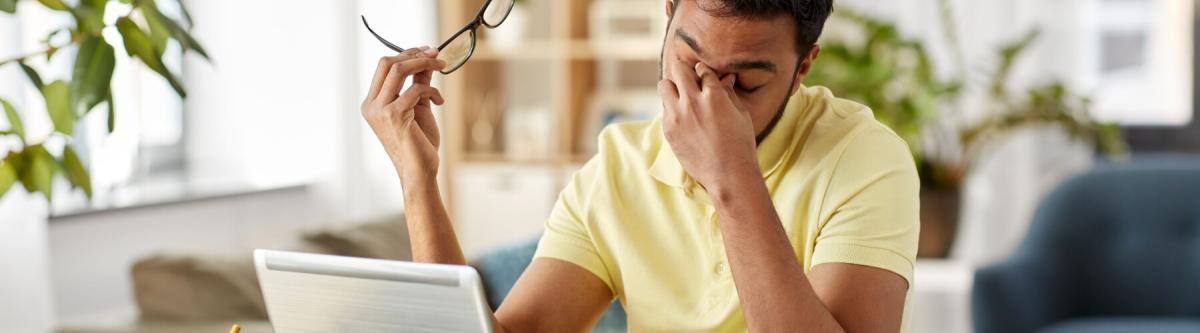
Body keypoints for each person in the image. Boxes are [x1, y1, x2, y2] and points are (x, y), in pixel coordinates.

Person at [359, 0, 918, 332]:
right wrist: (417, 180)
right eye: (689, 60)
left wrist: (730, 177)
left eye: (745, 82)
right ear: (668, 13)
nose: (706, 99)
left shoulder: (865, 158)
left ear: (803, 68)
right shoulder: (619, 165)